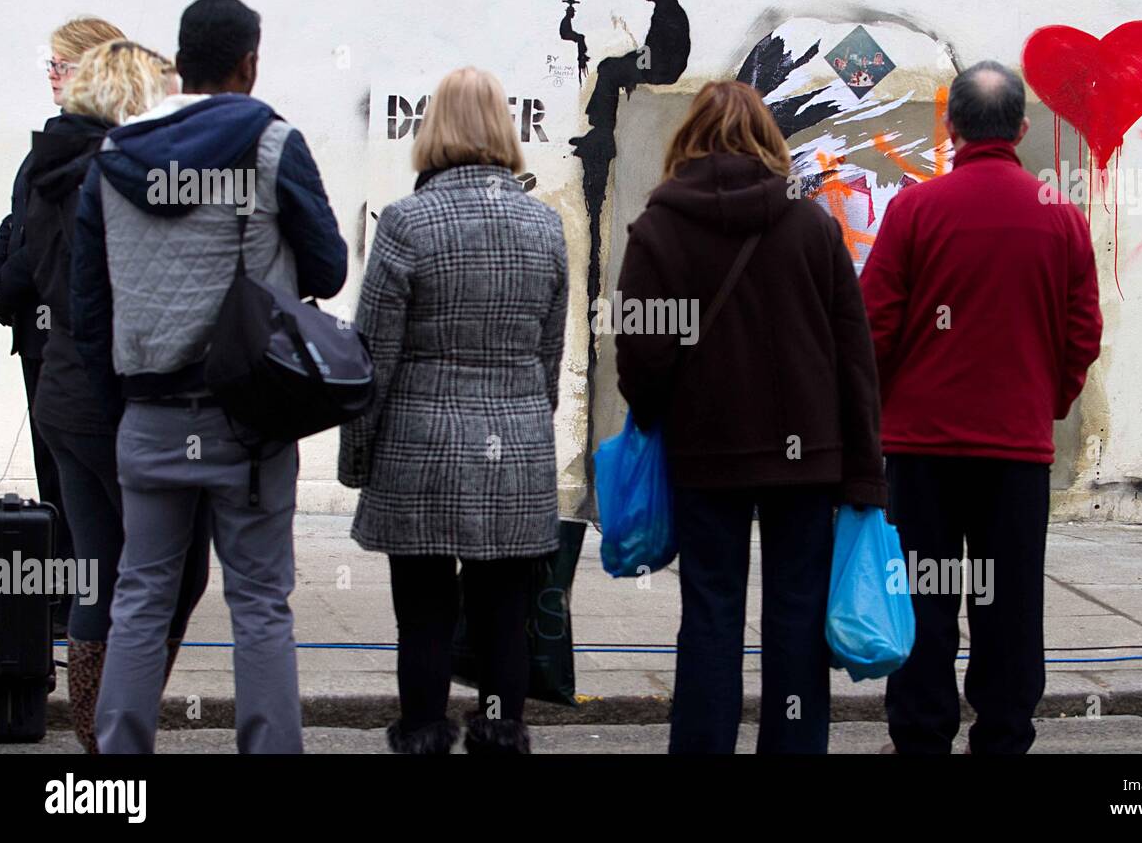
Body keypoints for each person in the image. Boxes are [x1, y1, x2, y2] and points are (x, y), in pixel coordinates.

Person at [73, 0, 348, 754]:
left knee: (140, 598)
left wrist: (122, 407)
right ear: (249, 62)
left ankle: (116, 769)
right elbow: (329, 262)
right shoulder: (274, 144)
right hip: (250, 418)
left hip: (149, 412)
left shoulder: (111, 158)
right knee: (260, 601)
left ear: (179, 60)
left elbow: (86, 305)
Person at [614, 80, 886, 754]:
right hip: (808, 457)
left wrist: (652, 416)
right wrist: (863, 470)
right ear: (768, 140)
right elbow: (855, 354)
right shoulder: (813, 226)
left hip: (707, 454)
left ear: (689, 141)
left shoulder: (659, 228)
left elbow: (642, 351)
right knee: (796, 618)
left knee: (710, 613)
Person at [860, 60, 1103, 754]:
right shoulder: (1061, 215)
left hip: (923, 448)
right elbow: (1081, 329)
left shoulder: (914, 209)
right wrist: (1045, 400)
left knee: (923, 597)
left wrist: (882, 410)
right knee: (1010, 602)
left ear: (951, 125)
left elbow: (875, 325)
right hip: (1015, 451)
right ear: (1022, 129)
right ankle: (1002, 733)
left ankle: (922, 731)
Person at [339, 67, 568, 755]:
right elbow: (549, 356)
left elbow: (369, 356)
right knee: (504, 613)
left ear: (432, 129)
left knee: (424, 614)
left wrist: (358, 460)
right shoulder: (545, 224)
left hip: (420, 444)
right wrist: (530, 426)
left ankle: (421, 735)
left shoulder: (407, 223)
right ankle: (500, 736)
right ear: (505, 128)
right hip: (517, 442)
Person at [23, 39, 213, 753]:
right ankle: (116, 732)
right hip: (118, 400)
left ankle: (99, 738)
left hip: (63, 394)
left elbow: (28, 277)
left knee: (100, 570)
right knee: (174, 570)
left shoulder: (46, 167)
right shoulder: (116, 177)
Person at [0, 17, 124, 635]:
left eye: (61, 65)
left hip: (72, 342)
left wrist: (7, 283)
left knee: (81, 492)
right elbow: (16, 223)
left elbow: (47, 248)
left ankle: (78, 605)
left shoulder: (101, 152)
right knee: (57, 480)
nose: (51, 75)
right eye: (49, 65)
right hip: (40, 336)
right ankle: (64, 600)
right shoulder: (51, 145)